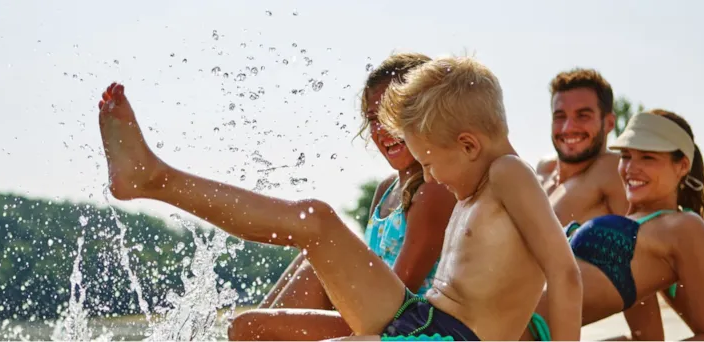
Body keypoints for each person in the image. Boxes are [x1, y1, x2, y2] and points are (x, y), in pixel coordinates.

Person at [96, 55, 583, 341]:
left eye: (430, 163)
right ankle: (151, 178)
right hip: (417, 317)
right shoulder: (479, 181)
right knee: (317, 219)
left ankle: (152, 178)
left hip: (447, 336)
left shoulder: (509, 174)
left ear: (469, 144)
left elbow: (563, 272)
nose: (430, 175)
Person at [227, 53, 456, 341]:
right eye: (374, 118)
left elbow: (398, 302)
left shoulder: (434, 190)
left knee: (250, 327)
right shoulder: (387, 189)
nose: (383, 129)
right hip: (375, 314)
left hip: (407, 326)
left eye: (395, 115)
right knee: (312, 259)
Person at [523, 110, 704, 341]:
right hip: (497, 317)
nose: (631, 168)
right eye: (627, 156)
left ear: (682, 166)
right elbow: (646, 337)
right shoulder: (635, 227)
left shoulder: (683, 227)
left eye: (648, 158)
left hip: (516, 327)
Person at [536, 68, 629, 233]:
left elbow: (645, 245)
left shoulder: (614, 170)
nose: (568, 127)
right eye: (560, 116)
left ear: (608, 123)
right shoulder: (544, 170)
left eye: (583, 116)